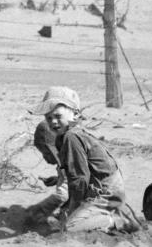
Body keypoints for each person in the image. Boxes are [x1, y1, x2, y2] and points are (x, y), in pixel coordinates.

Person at [30, 86, 142, 233]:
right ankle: (113, 209)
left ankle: (119, 220)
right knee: (65, 217)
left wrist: (73, 209)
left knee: (70, 226)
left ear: (75, 114)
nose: (53, 122)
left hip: (106, 191)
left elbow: (79, 178)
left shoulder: (72, 137)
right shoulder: (66, 136)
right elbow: (76, 170)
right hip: (99, 187)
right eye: (49, 118)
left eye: (58, 116)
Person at [26, 119, 68, 227]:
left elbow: (64, 194)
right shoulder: (65, 155)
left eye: (46, 153)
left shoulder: (71, 159)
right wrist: (57, 179)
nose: (45, 158)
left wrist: (41, 209)